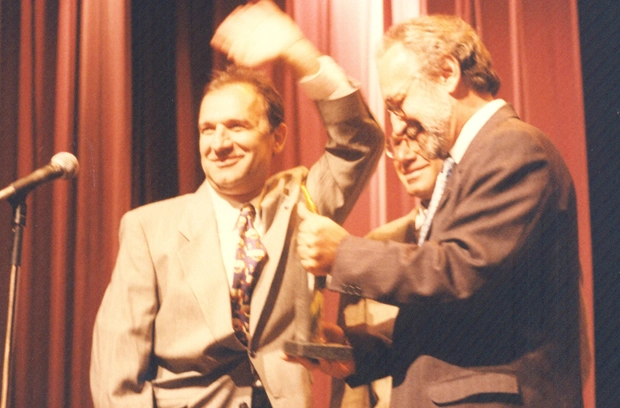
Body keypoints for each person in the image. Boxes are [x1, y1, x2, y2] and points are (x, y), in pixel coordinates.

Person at [89, 1, 383, 407]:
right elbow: (116, 372)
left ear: (277, 137)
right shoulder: (148, 227)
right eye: (207, 129)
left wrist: (300, 53)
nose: (219, 143)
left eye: (237, 126)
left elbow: (359, 142)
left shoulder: (304, 203)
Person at [295, 14, 584, 408]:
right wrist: (355, 354)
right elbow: (458, 325)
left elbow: (458, 270)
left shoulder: (514, 149)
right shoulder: (467, 163)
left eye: (398, 104)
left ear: (448, 72)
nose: (397, 126)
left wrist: (342, 253)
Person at [332, 150, 443, 408]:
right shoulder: (373, 246)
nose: (405, 156)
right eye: (396, 143)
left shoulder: (480, 244)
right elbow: (354, 394)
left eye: (417, 135)